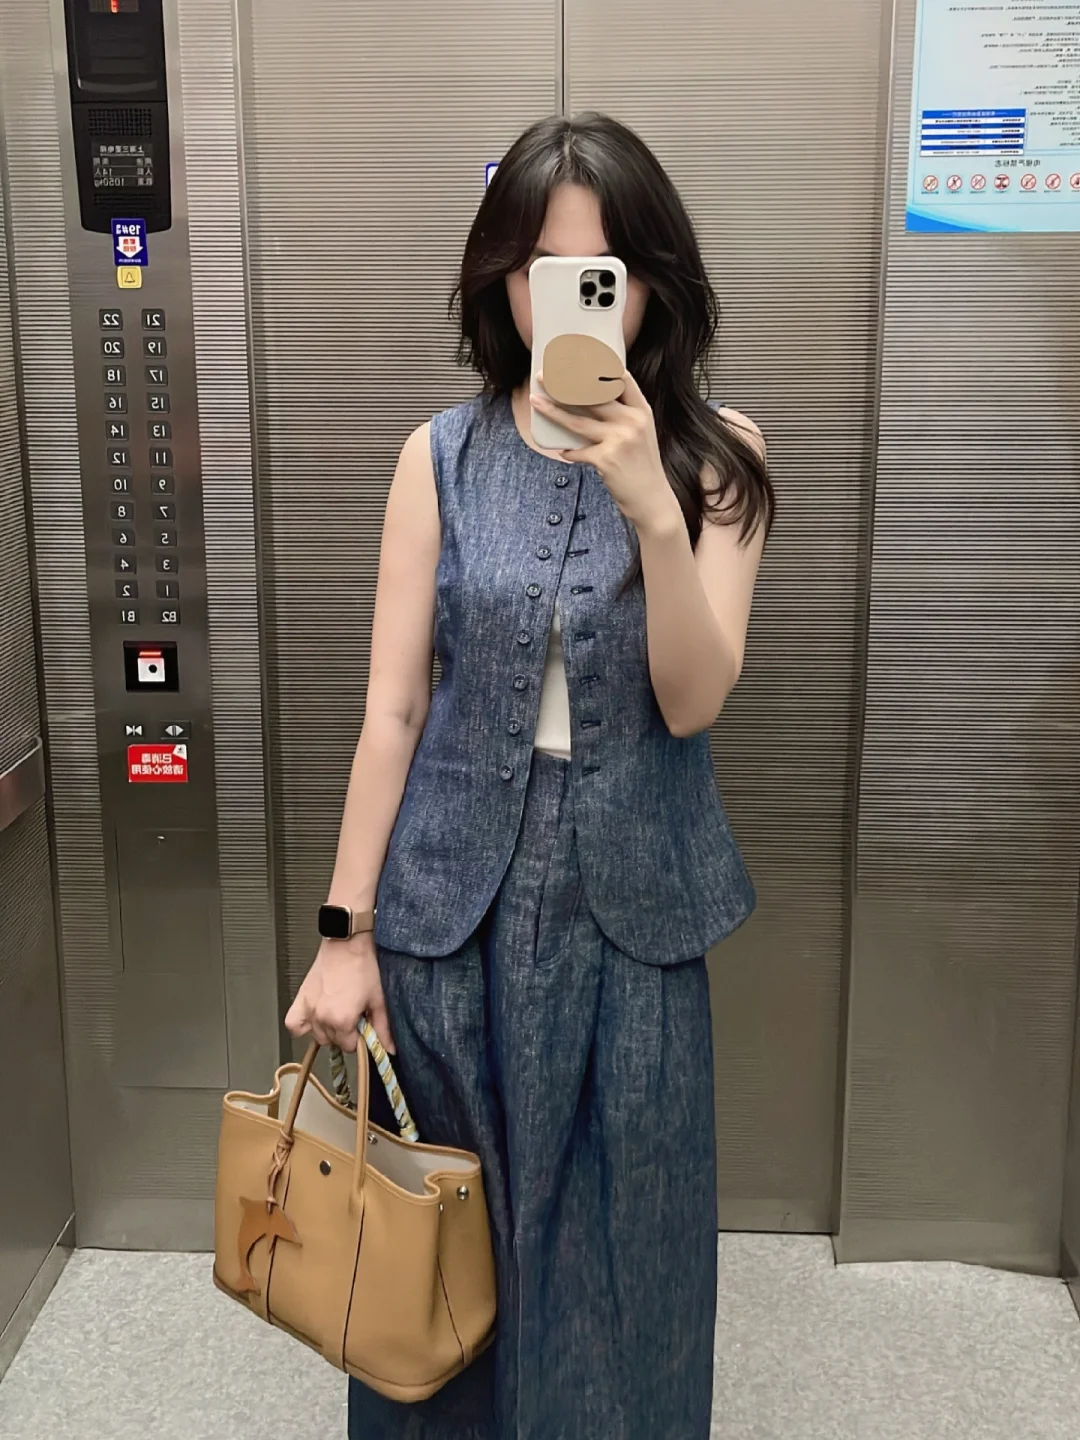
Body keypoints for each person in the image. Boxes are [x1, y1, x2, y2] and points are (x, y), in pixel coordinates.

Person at [285, 110, 774, 1440]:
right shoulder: (438, 456)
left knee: (625, 1264)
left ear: (650, 281)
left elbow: (694, 697)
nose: (567, 297)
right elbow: (394, 708)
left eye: (597, 272)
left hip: (636, 916)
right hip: (451, 916)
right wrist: (345, 931)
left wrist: (654, 509)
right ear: (499, 280)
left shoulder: (720, 456)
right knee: (435, 1256)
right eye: (537, 270)